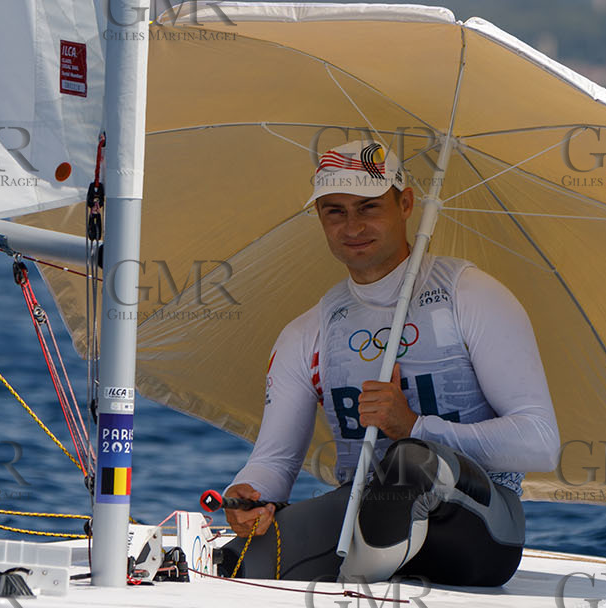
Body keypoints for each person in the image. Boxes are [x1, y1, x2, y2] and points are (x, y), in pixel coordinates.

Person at [222, 139, 559, 585]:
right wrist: (247, 495)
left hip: (476, 531)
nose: (353, 226)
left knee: (409, 461)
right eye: (335, 211)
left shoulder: (472, 296)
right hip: (362, 519)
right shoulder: (307, 333)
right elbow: (275, 462)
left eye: (368, 207)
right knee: (238, 562)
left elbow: (540, 441)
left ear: (405, 204)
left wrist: (415, 427)